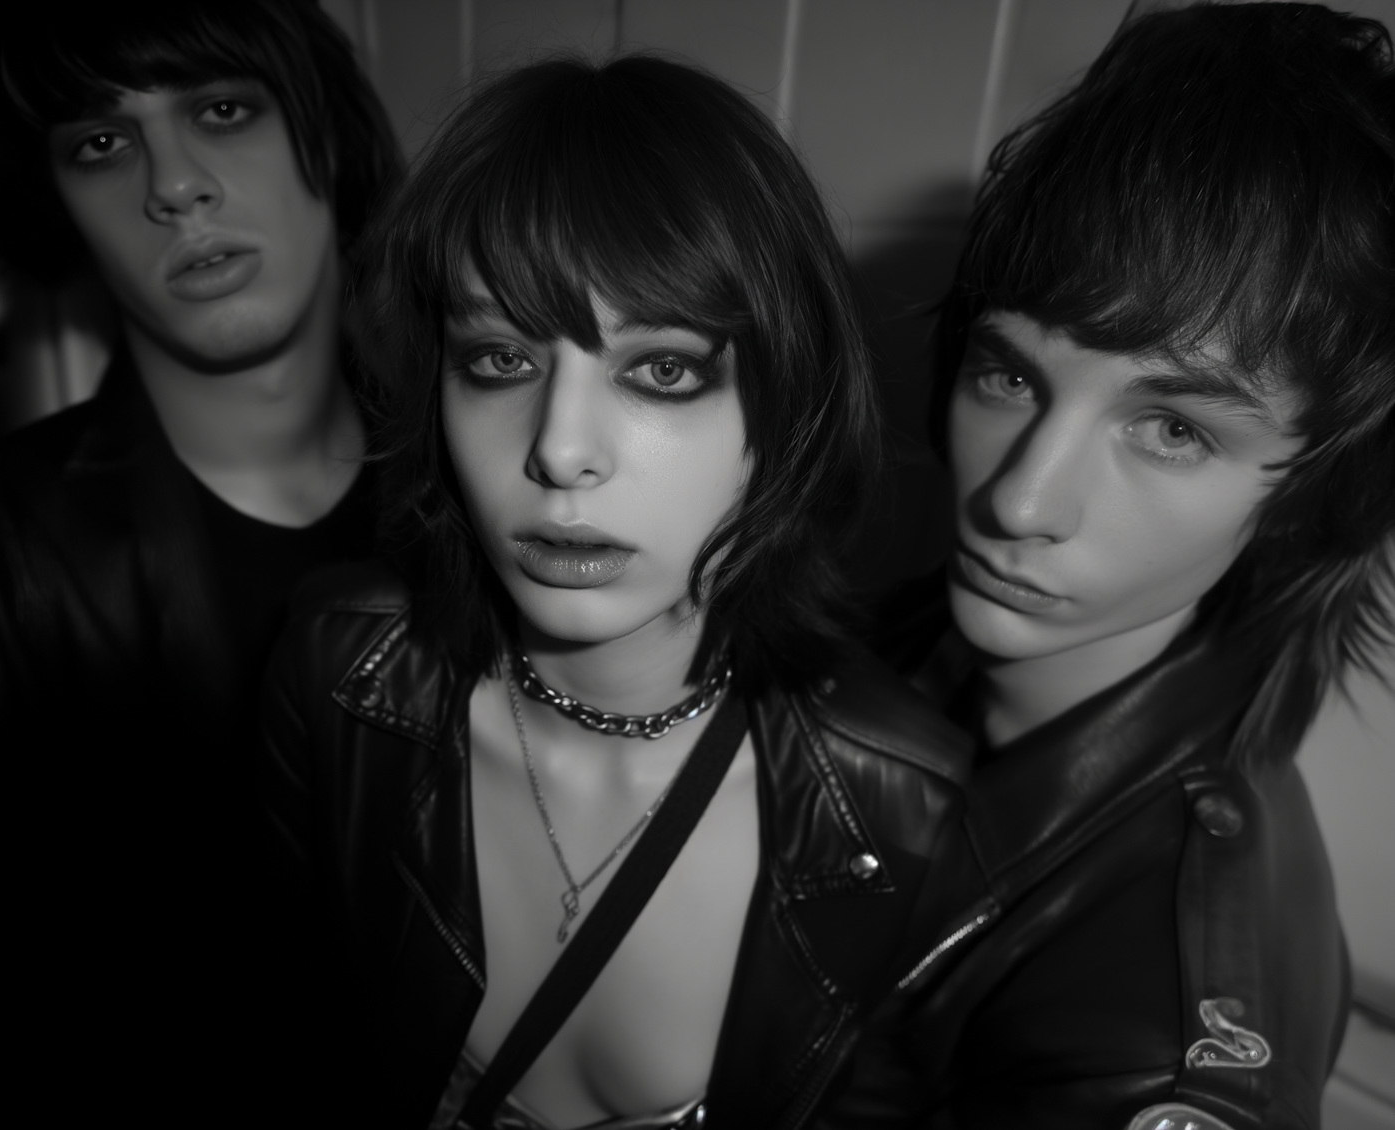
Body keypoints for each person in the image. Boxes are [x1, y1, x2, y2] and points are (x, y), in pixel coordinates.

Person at [261, 55, 972, 1129]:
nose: (560, 450)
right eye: (498, 360)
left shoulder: (907, 814)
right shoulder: (337, 673)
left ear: (786, 408)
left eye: (662, 370)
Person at [843, 4, 1395, 1129]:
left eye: (1174, 429)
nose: (1018, 501)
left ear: (1314, 498)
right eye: (1009, 375)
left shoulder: (1165, 1040)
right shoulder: (897, 639)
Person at [0, 0, 400, 1112]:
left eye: (221, 110)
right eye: (99, 142)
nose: (174, 186)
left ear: (327, 133)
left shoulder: (496, 494)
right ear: (59, 207)